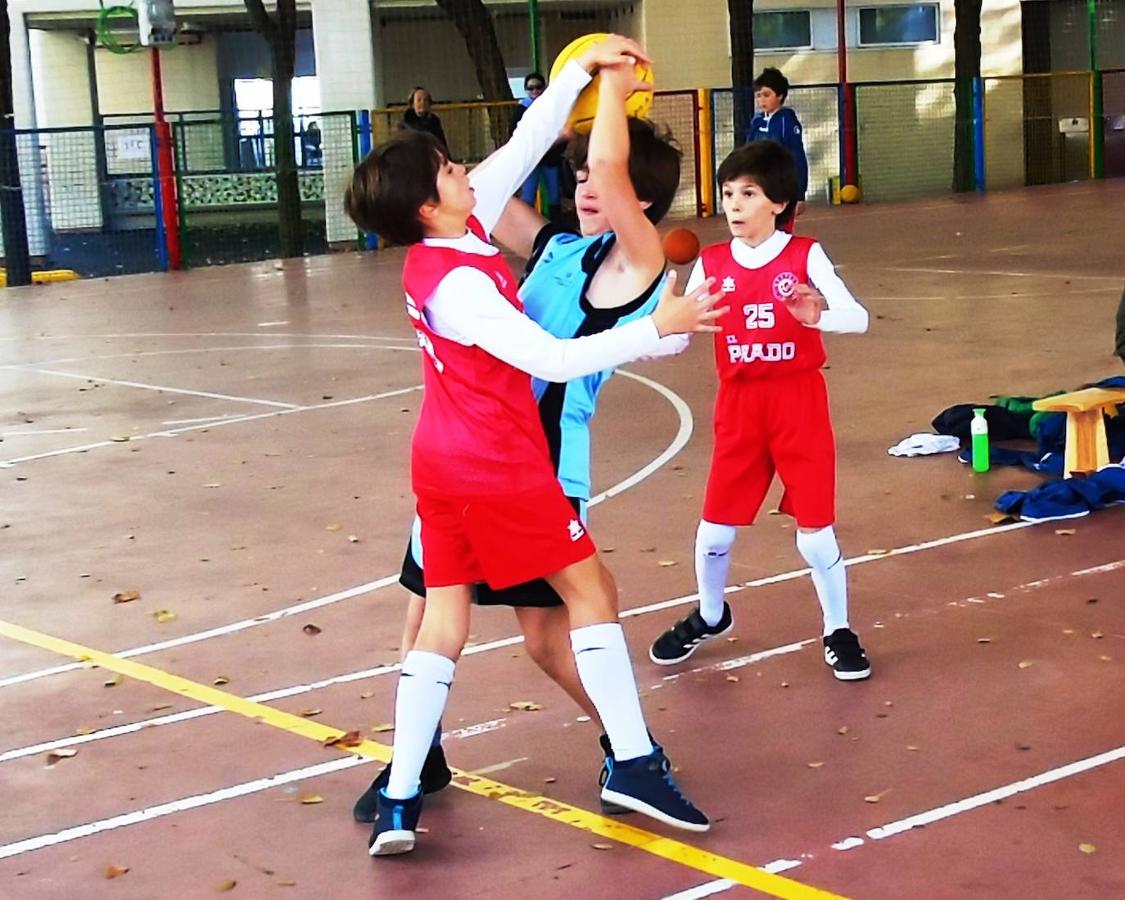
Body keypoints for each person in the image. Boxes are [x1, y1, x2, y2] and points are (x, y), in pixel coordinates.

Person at [344, 36, 726, 857]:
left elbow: (525, 154)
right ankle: (609, 757)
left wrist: (577, 83)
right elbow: (546, 344)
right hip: (500, 460)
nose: (586, 183)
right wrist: (652, 334)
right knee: (450, 619)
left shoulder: (628, 256)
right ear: (427, 205)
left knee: (504, 629)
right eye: (447, 170)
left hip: (488, 456)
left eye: (597, 176)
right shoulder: (517, 254)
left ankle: (413, 787)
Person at [648, 139, 872, 684]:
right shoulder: (712, 262)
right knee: (714, 534)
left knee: (815, 536)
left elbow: (859, 318)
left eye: (748, 193)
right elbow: (679, 337)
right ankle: (709, 612)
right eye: (728, 193)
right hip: (740, 407)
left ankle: (838, 629)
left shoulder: (804, 255)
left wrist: (814, 316)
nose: (735, 204)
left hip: (798, 403)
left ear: (777, 201)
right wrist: (656, 325)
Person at [746, 68, 808, 231]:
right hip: (759, 187)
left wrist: (799, 194)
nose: (761, 100)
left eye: (766, 95)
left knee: (780, 232)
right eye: (758, 96)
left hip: (781, 188)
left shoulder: (786, 120)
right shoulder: (756, 121)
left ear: (780, 96)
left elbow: (798, 157)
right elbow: (747, 153)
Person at [513, 72, 566, 220]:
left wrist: (556, 148)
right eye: (531, 88)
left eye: (538, 87)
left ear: (544, 88)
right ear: (526, 90)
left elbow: (561, 129)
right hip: (531, 159)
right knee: (528, 197)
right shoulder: (521, 109)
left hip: (550, 157)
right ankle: (526, 228)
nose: (535, 90)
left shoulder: (552, 106)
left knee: (554, 196)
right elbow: (514, 133)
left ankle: (556, 226)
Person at [400, 86, 448, 155]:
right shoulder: (404, 124)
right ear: (413, 103)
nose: (422, 103)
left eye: (425, 100)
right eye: (419, 100)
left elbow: (441, 143)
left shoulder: (434, 121)